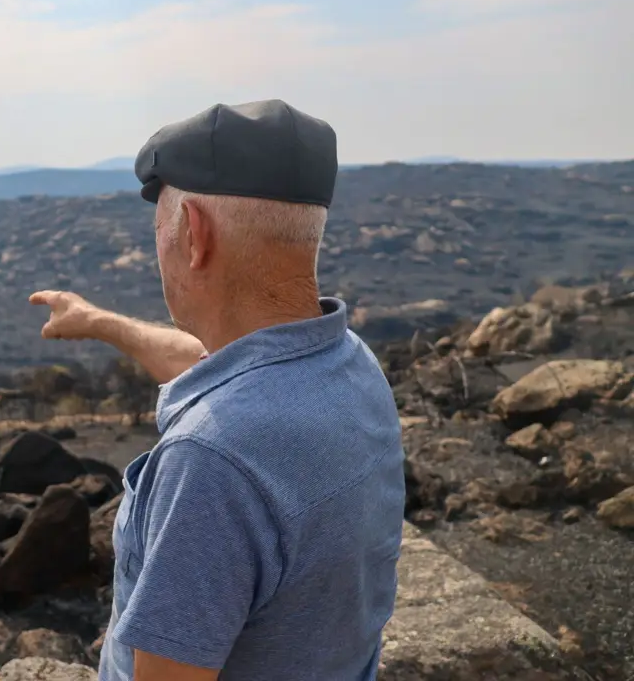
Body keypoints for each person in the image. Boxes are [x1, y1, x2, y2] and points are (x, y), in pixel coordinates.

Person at [30, 100, 405, 681]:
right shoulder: (349, 365)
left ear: (194, 236)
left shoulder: (212, 460)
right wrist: (98, 321)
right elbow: (214, 365)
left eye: (160, 228)